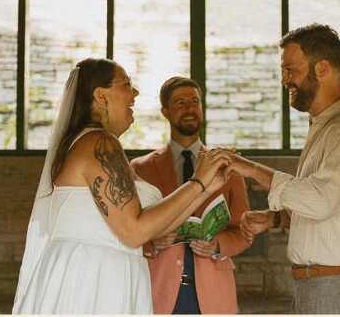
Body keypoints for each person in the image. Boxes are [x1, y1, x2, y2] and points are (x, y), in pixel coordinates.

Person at [12, 58, 235, 314]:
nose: (135, 93)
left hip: (103, 274)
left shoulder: (97, 145)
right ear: (100, 95)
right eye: (127, 84)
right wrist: (197, 181)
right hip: (92, 282)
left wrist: (206, 187)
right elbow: (135, 231)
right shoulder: (99, 143)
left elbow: (151, 225)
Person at [230, 23, 340, 314]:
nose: (284, 79)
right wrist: (276, 219)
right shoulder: (325, 128)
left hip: (338, 289)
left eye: (291, 70)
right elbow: (331, 212)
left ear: (322, 69)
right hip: (323, 286)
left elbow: (321, 201)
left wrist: (247, 168)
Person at [131, 76, 251, 314]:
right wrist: (151, 242)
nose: (189, 108)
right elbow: (127, 227)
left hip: (214, 294)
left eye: (195, 102)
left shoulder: (227, 165)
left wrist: (218, 245)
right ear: (165, 111)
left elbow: (244, 231)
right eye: (180, 103)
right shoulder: (138, 168)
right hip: (158, 291)